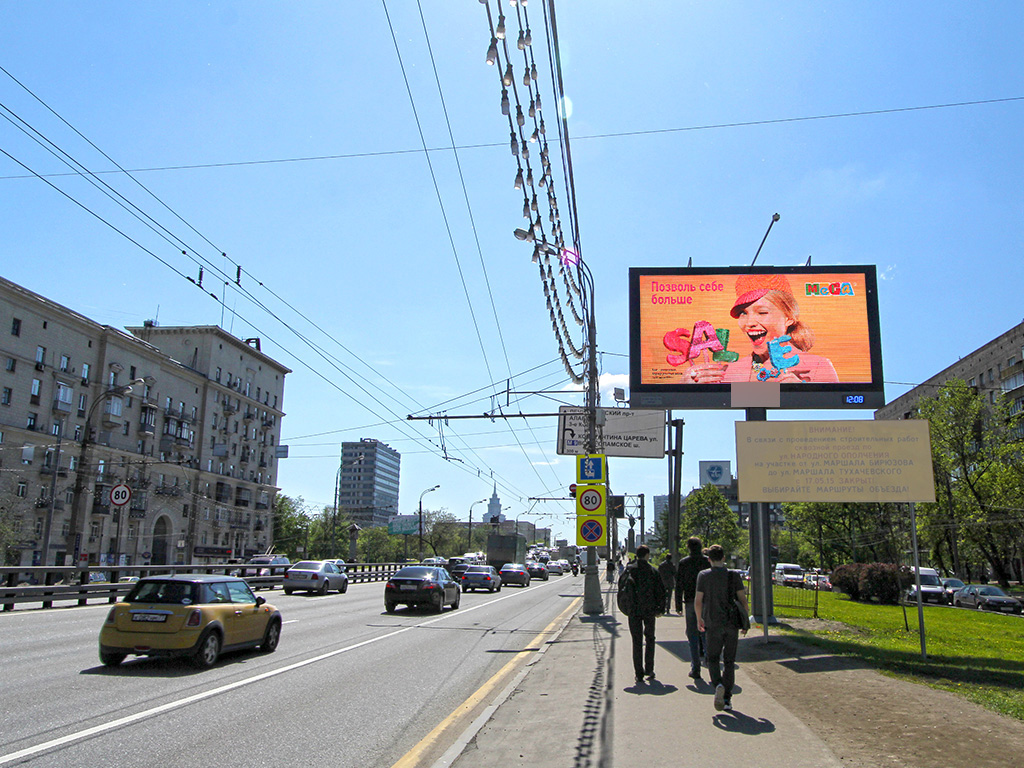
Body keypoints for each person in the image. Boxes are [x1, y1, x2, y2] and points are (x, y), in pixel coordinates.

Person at [688, 274, 839, 384]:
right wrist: (687, 389)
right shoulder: (729, 371)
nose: (749, 323)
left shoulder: (819, 367)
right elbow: (731, 404)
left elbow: (836, 417)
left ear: (789, 318)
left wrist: (801, 396)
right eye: (743, 313)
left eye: (762, 312)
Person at [695, 544, 749, 712]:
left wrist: (699, 619)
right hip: (732, 623)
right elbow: (743, 600)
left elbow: (698, 600)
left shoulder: (703, 576)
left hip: (712, 622)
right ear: (724, 558)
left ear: (709, 559)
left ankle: (718, 684)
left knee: (712, 658)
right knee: (729, 661)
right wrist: (745, 620)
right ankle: (727, 699)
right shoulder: (734, 576)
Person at [619, 544, 666, 683]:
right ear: (647, 555)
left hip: (633, 610)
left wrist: (625, 606)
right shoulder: (653, 571)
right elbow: (661, 592)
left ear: (636, 555)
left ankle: (638, 673)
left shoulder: (629, 570)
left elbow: (621, 588)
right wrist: (660, 609)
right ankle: (649, 669)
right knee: (650, 638)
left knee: (636, 641)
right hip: (649, 610)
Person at [675, 536, 711, 679]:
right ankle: (710, 662)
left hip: (690, 601)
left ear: (688, 548)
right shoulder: (707, 562)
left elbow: (679, 585)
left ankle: (695, 668)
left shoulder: (684, 563)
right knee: (706, 633)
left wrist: (678, 605)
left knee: (692, 635)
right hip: (707, 602)